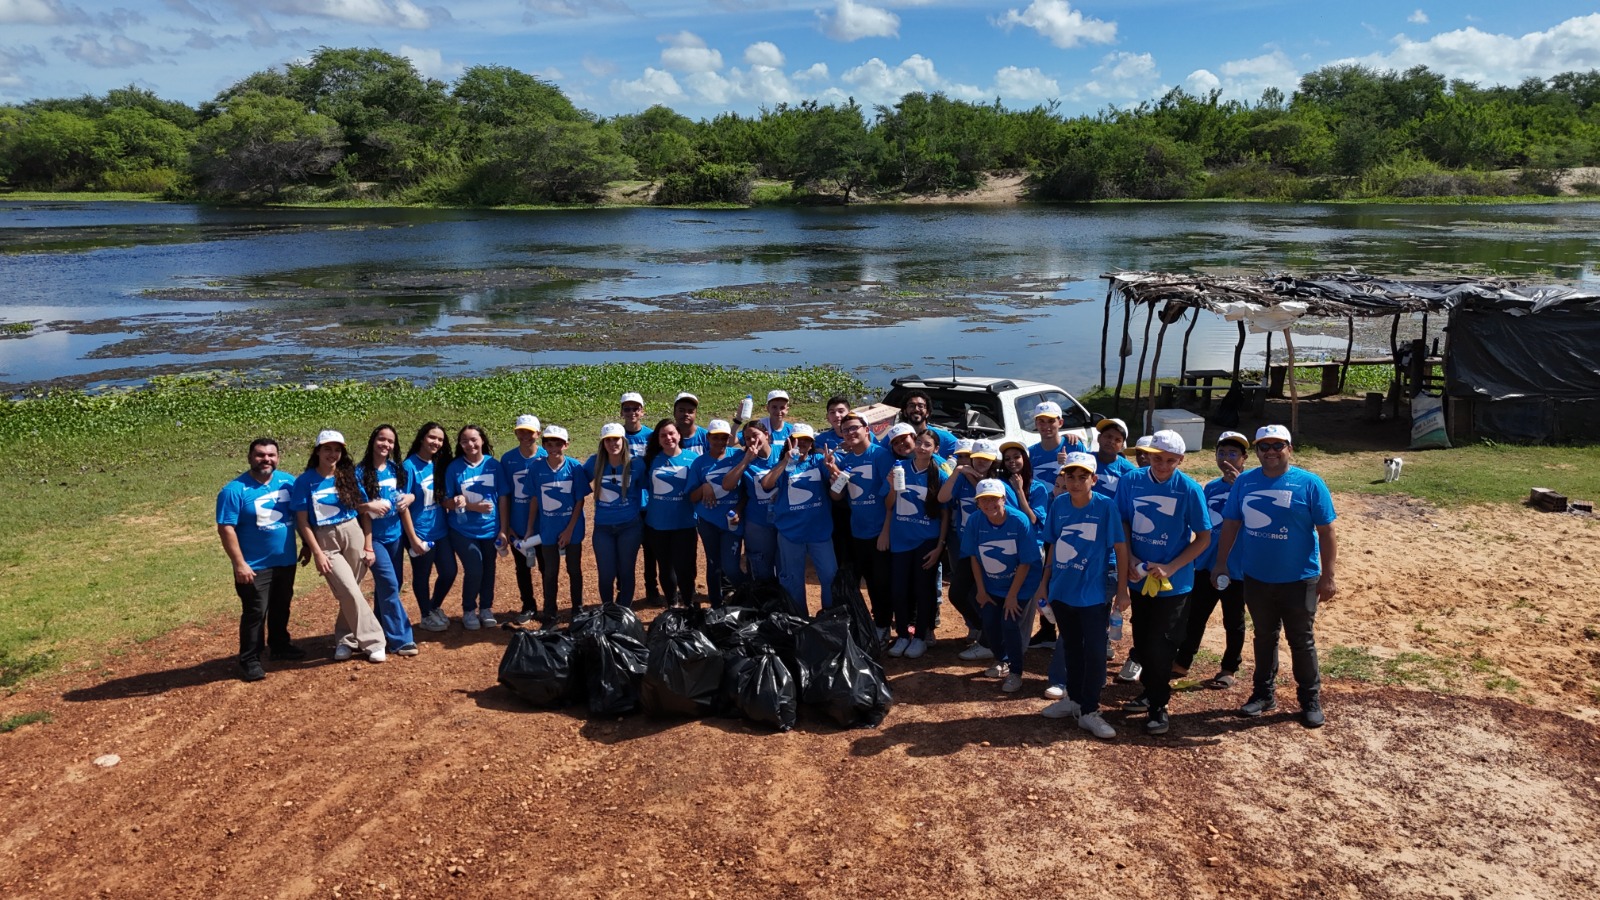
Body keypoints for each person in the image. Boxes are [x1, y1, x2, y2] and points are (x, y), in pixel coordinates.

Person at [1213, 424, 1338, 729]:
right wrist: (1221, 563)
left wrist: (1328, 577)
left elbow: (1327, 531)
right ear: (1256, 451)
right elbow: (1231, 524)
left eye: (1277, 445)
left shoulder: (1310, 483)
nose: (1270, 452)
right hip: (1257, 577)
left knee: (1301, 640)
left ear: (1289, 449)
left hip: (1299, 579)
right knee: (1264, 637)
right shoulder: (1245, 482)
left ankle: (1309, 699)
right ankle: (1263, 694)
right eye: (1263, 446)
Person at [1115, 430, 1212, 735]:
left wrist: (1171, 567)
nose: (1162, 465)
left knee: (1161, 645)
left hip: (1174, 584)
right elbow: (1123, 522)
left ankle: (1159, 706)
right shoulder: (1131, 481)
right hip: (1138, 578)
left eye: (1171, 460)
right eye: (1158, 458)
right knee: (1143, 642)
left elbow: (1204, 537)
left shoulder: (1189, 489)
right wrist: (1130, 559)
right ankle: (1149, 692)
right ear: (1148, 455)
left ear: (1180, 460)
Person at [1034, 452, 1131, 740]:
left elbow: (1120, 548)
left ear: (1094, 479)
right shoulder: (1059, 504)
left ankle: (1090, 710)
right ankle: (1074, 700)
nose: (1075, 482)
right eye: (1070, 476)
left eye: (1082, 477)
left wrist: (1122, 590)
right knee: (1072, 647)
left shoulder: (1105, 506)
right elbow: (1053, 545)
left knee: (1096, 652)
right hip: (1062, 590)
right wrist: (1044, 583)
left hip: (1092, 593)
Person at [290, 430, 386, 663]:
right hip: (325, 538)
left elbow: (363, 511)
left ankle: (345, 639)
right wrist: (317, 553)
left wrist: (368, 545)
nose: (332, 454)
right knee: (349, 590)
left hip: (353, 532)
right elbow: (302, 521)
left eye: (337, 450)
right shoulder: (304, 481)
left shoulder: (348, 476)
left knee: (351, 590)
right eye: (327, 449)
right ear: (317, 451)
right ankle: (374, 641)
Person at [216, 438, 302, 681]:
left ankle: (280, 645)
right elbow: (226, 529)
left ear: (278, 457)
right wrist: (239, 564)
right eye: (260, 455)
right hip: (253, 566)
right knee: (255, 612)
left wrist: (307, 545)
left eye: (271, 455)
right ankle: (249, 659)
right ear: (249, 458)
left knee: (281, 605)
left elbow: (300, 515)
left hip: (285, 559)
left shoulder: (288, 482)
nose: (266, 459)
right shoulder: (234, 490)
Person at [1173, 431, 1251, 688]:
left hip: (1237, 567)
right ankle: (1183, 661)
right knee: (1195, 616)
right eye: (1222, 453)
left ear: (1244, 458)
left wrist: (1239, 487)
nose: (1226, 458)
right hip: (1205, 563)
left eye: (1233, 453)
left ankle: (1229, 668)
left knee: (1233, 620)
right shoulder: (1211, 487)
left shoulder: (1251, 485)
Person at [961, 478, 1042, 693]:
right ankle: (1002, 660)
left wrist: (1012, 596)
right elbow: (974, 557)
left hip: (1022, 584)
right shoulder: (975, 521)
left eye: (993, 499)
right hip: (992, 584)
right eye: (983, 500)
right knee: (989, 623)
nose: (989, 504)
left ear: (1004, 499)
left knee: (1009, 623)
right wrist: (980, 590)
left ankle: (1016, 672)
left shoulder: (1019, 521)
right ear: (977, 503)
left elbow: (1025, 562)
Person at [941, 439, 1018, 659]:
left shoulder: (1000, 485)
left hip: (996, 549)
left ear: (994, 461)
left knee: (990, 595)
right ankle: (985, 629)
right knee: (958, 593)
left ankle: (990, 641)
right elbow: (943, 498)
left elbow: (1011, 515)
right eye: (977, 458)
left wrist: (977, 482)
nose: (981, 462)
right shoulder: (961, 479)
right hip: (969, 548)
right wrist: (958, 472)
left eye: (986, 459)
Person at [881, 428, 947, 659]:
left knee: (923, 589)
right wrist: (891, 487)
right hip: (901, 539)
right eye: (919, 442)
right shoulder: (898, 468)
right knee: (898, 589)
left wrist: (940, 546)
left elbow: (945, 515)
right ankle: (902, 635)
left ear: (936, 449)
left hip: (927, 541)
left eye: (927, 444)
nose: (921, 447)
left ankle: (920, 637)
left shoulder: (940, 475)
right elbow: (889, 504)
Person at [831, 412, 897, 639]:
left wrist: (886, 531)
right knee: (866, 579)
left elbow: (891, 497)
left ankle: (884, 625)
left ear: (866, 430)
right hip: (858, 530)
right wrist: (833, 473)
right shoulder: (846, 460)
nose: (850, 433)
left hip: (880, 531)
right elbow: (837, 496)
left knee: (881, 581)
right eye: (845, 430)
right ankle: (873, 622)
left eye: (854, 428)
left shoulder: (880, 455)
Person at [355, 425, 419, 657]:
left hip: (396, 536)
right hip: (374, 539)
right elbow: (360, 511)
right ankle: (402, 639)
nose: (386, 444)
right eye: (382, 439)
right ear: (373, 441)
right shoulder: (360, 472)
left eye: (390, 441)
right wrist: (368, 545)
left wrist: (411, 498)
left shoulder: (395, 469)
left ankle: (379, 630)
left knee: (392, 585)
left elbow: (403, 503)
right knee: (390, 584)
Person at [764, 423, 840, 614]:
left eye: (806, 440)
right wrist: (785, 461)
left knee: (830, 575)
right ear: (790, 441)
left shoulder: (819, 460)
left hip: (819, 531)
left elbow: (839, 486)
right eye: (798, 440)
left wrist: (832, 467)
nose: (802, 443)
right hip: (790, 532)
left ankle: (829, 616)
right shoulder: (783, 464)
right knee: (792, 579)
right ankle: (799, 619)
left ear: (812, 443)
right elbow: (766, 484)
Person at [444, 424, 507, 631]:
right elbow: (445, 501)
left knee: (489, 569)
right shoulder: (454, 468)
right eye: (464, 441)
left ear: (482, 441)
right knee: (474, 569)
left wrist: (503, 528)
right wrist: (468, 505)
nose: (469, 444)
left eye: (473, 440)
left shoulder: (493, 465)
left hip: (490, 528)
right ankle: (469, 609)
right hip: (463, 530)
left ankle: (486, 608)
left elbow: (503, 497)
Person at [528, 425, 589, 624]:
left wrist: (569, 530)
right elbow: (535, 499)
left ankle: (577, 610)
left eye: (558, 444)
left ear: (566, 445)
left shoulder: (574, 467)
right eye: (549, 444)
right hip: (548, 529)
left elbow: (579, 500)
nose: (554, 448)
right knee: (550, 572)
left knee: (574, 569)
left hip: (572, 529)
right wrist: (530, 528)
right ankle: (550, 613)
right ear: (544, 445)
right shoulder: (536, 468)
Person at [401, 422, 456, 633]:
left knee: (449, 572)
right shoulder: (409, 466)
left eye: (440, 439)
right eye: (432, 437)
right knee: (422, 575)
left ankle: (433, 607)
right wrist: (412, 538)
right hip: (420, 532)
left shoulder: (439, 464)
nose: (436, 442)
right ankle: (425, 615)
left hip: (441, 530)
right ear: (422, 438)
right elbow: (403, 506)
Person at [585, 423, 647, 607]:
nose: (613, 443)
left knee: (626, 570)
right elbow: (577, 482)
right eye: (608, 440)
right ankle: (608, 609)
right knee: (606, 574)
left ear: (624, 441)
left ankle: (624, 609)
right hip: (603, 527)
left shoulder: (636, 464)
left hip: (630, 526)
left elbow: (646, 488)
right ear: (603, 443)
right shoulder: (594, 462)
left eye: (616, 439)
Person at [644, 419, 701, 607]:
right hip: (657, 523)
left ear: (679, 435)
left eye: (671, 433)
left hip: (685, 522)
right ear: (658, 439)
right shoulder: (650, 460)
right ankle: (672, 605)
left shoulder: (693, 459)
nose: (668, 438)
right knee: (665, 567)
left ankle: (688, 603)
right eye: (663, 435)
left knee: (684, 567)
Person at [690, 418, 744, 604]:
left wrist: (739, 509)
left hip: (731, 521)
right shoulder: (699, 463)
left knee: (731, 567)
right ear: (708, 438)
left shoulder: (738, 456)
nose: (720, 442)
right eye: (715, 437)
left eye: (724, 438)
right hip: (708, 521)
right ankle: (715, 604)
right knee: (713, 563)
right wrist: (704, 487)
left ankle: (747, 596)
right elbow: (692, 496)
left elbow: (747, 490)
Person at [500, 415, 546, 624]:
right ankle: (528, 606)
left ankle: (550, 607)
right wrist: (507, 525)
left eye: (530, 432)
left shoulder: (546, 455)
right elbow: (504, 495)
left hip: (543, 525)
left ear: (538, 433)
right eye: (521, 431)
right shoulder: (508, 459)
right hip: (518, 524)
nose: (525, 436)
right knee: (522, 568)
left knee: (547, 567)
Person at [722, 421, 779, 582]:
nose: (752, 440)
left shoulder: (781, 452)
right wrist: (746, 460)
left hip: (784, 519)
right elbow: (727, 485)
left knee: (784, 566)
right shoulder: (742, 457)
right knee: (760, 567)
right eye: (747, 438)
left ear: (766, 435)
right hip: (758, 521)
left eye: (755, 435)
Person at [621, 392, 662, 604]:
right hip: (626, 502)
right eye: (627, 409)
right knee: (625, 550)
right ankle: (623, 591)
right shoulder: (616, 436)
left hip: (648, 501)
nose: (632, 413)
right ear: (621, 412)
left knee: (651, 549)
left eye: (635, 408)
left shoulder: (651, 436)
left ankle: (651, 589)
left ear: (642, 411)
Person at [1027, 401, 1086, 487]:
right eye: (1041, 421)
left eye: (1051, 421)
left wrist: (1069, 464)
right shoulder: (1029, 453)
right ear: (1036, 424)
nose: (1046, 426)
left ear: (1060, 423)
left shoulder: (1075, 445)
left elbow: (1087, 479)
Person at [897, 389, 959, 457]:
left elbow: (963, 451)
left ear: (927, 413)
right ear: (905, 412)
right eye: (911, 406)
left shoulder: (942, 436)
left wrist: (948, 461)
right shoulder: (896, 436)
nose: (916, 409)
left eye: (921, 406)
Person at [1091, 418, 1136, 499]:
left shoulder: (1129, 471)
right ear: (1099, 438)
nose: (1111, 441)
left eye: (1117, 440)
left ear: (1122, 445)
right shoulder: (1085, 460)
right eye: (1108, 436)